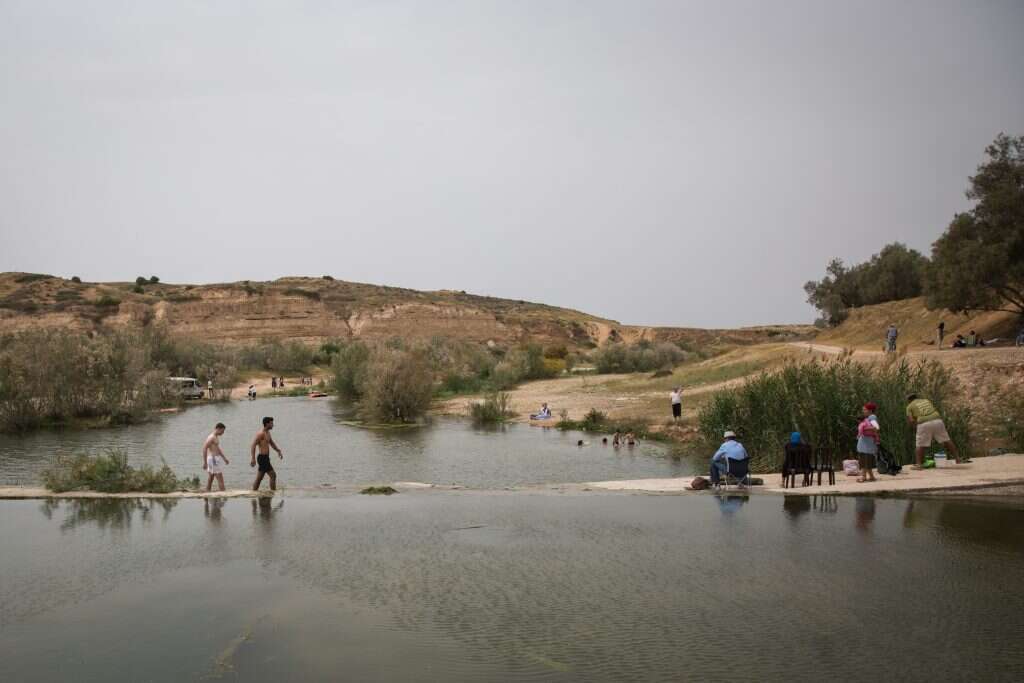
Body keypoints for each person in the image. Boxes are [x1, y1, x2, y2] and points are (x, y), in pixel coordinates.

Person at [906, 393, 964, 469]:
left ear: (909, 400)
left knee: (920, 445)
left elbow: (911, 420)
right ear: (917, 397)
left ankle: (919, 465)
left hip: (924, 423)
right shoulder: (926, 400)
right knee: (946, 440)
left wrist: (914, 427)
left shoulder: (909, 406)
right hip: (937, 420)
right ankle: (957, 459)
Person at [251, 416, 284, 491]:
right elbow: (253, 445)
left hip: (266, 458)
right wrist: (253, 458)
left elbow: (271, 443)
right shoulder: (261, 434)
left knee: (259, 478)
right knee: (273, 475)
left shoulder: (268, 433)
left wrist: (278, 450)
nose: (273, 425)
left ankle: (253, 492)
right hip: (262, 458)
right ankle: (273, 492)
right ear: (267, 424)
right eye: (271, 423)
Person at [202, 422, 230, 492]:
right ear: (218, 429)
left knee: (211, 477)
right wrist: (205, 462)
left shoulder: (215, 437)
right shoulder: (211, 437)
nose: (223, 433)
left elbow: (217, 449)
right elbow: (204, 448)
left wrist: (224, 458)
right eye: (222, 431)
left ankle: (207, 491)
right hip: (213, 459)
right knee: (220, 478)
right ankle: (223, 494)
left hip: (212, 459)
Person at [856, 403, 879, 483]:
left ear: (870, 410)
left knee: (865, 459)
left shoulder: (872, 417)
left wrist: (863, 430)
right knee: (866, 459)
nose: (863, 411)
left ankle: (863, 477)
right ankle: (871, 476)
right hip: (865, 443)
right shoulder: (868, 418)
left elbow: (876, 428)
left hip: (867, 443)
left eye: (864, 409)